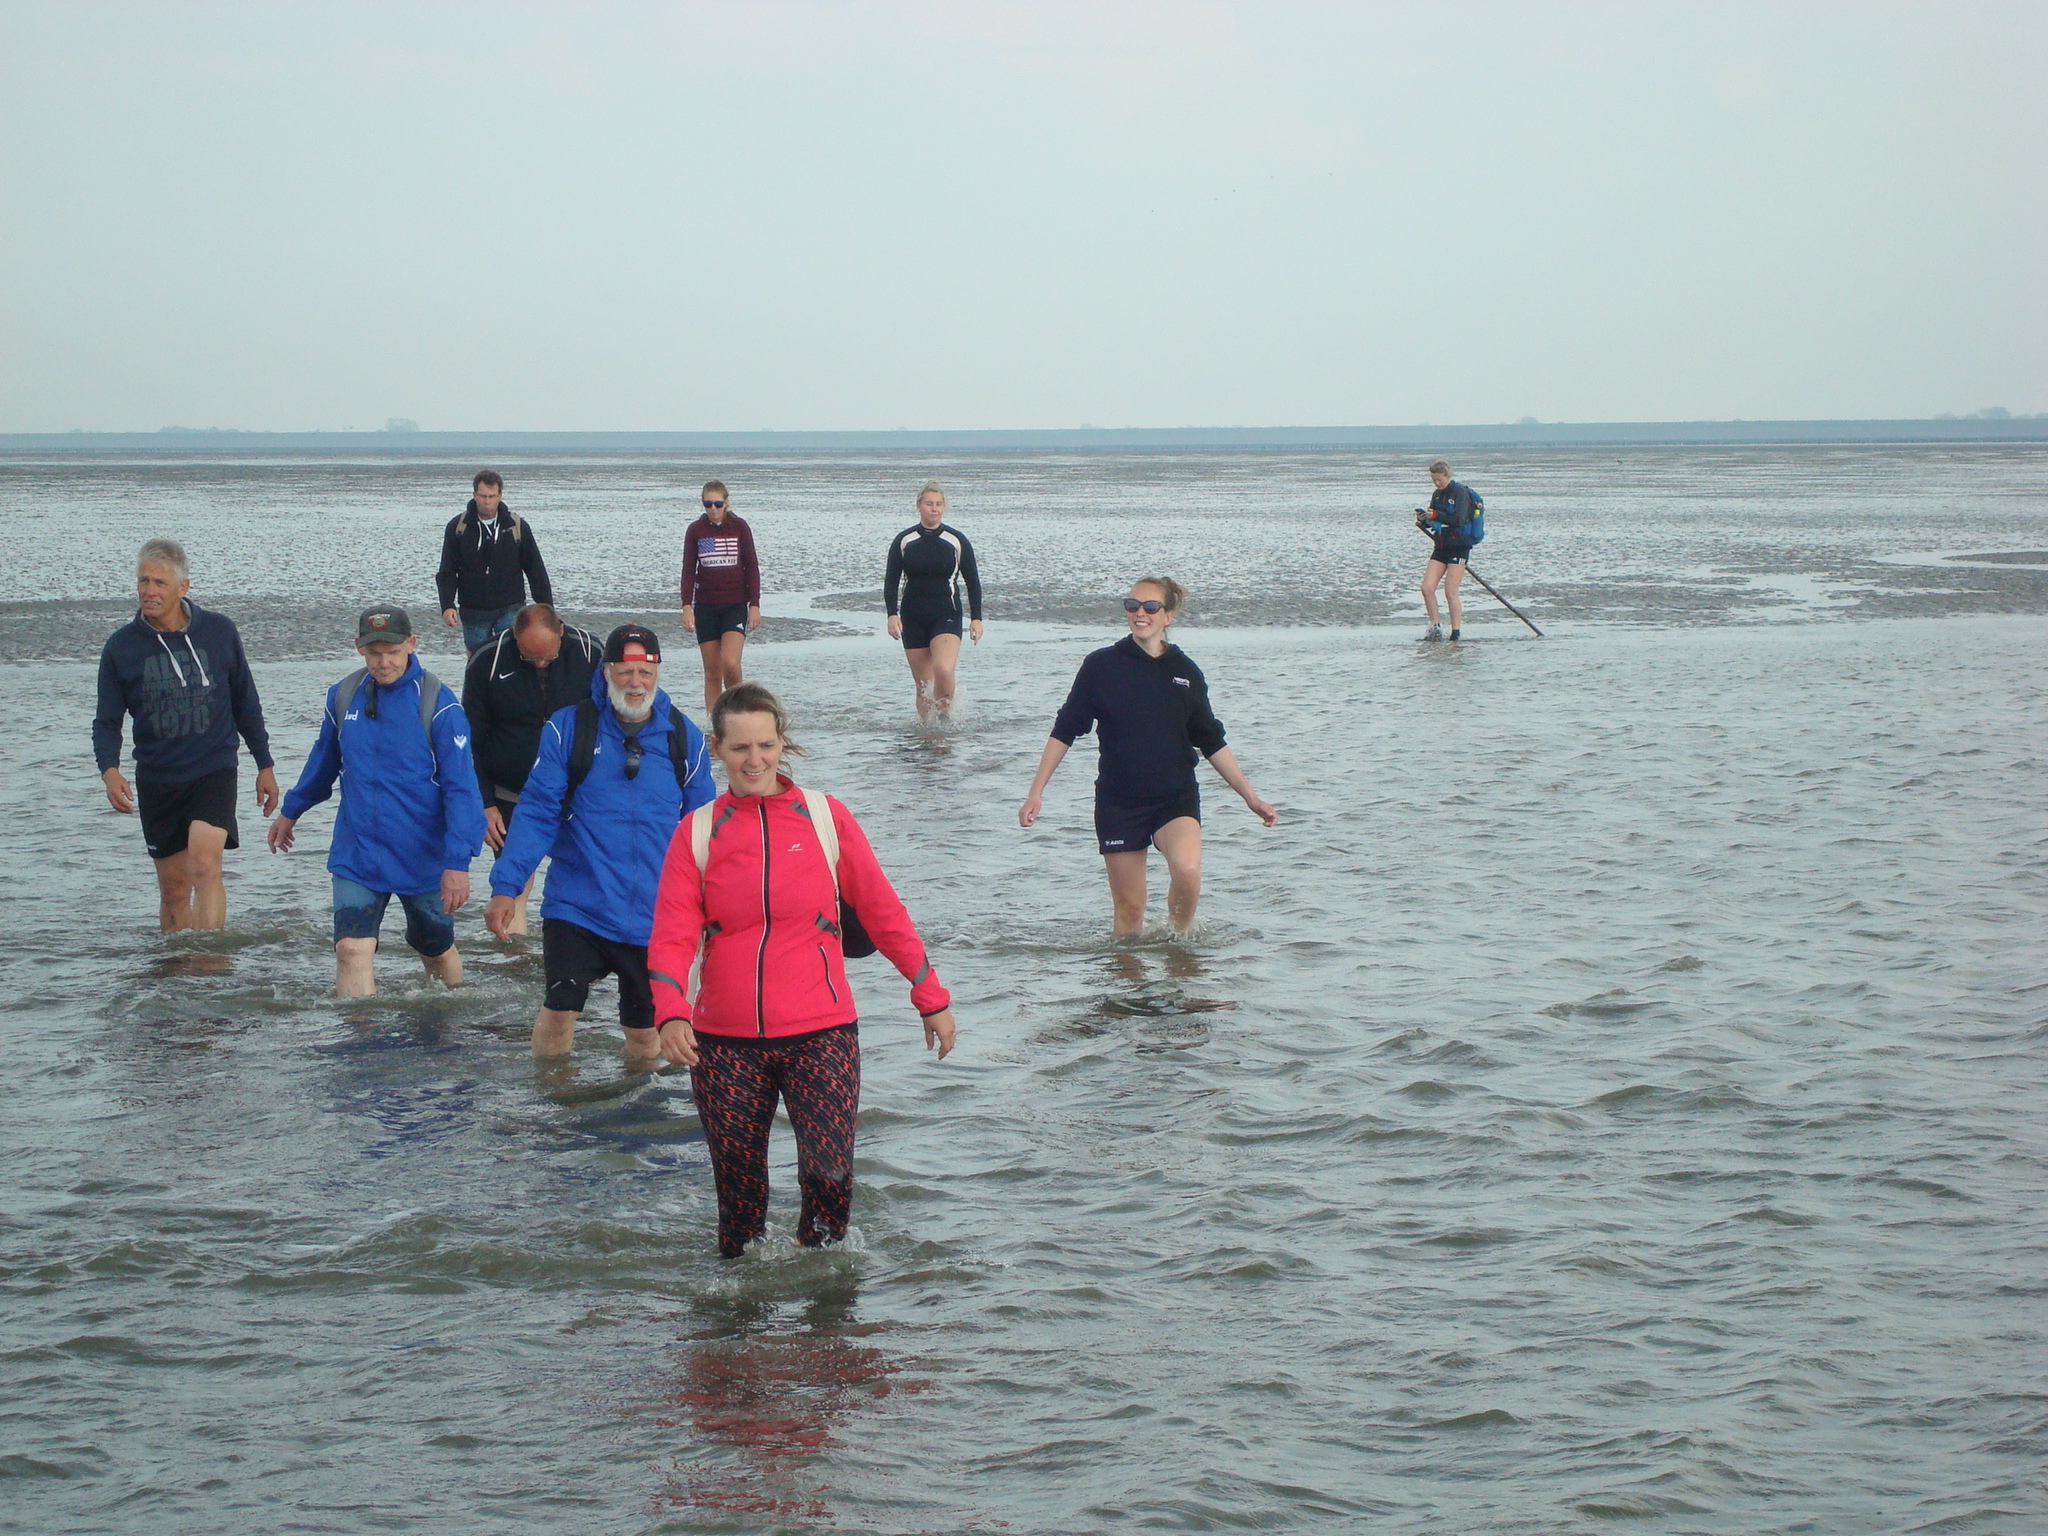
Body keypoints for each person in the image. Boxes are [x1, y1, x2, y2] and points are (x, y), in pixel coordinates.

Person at [647, 682, 957, 1258]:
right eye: (740, 748)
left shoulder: (824, 817)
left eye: (766, 745)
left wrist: (929, 995)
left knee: (829, 1184)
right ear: (717, 749)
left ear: (781, 743)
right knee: (740, 1208)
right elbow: (671, 935)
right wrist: (670, 1012)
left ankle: (827, 1305)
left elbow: (883, 911)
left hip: (823, 1033)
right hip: (724, 1043)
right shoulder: (696, 832)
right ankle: (740, 1308)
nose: (755, 760)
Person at [485, 624, 714, 1062]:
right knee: (560, 1009)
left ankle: (636, 1100)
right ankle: (551, 1096)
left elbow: (705, 832)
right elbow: (536, 812)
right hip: (578, 905)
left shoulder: (684, 738)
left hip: (653, 915)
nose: (635, 683)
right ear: (606, 670)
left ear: (657, 674)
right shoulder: (568, 729)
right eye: (625, 671)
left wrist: (714, 908)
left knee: (644, 1036)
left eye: (645, 673)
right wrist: (505, 888)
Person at [1018, 578, 1277, 936]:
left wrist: (1251, 798)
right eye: (1133, 605)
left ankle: (1178, 946)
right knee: (1130, 910)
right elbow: (1065, 730)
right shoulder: (1100, 666)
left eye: (1151, 607)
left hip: (1175, 797)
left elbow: (1211, 740)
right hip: (1119, 802)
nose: (1140, 613)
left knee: (1187, 870)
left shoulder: (1185, 672)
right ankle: (1128, 971)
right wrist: (1036, 792)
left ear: (1168, 616)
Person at [267, 607, 487, 998]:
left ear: (411, 644)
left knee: (435, 952)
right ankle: (359, 1034)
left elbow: (462, 790)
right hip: (358, 851)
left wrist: (458, 862)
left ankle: (451, 1021)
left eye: (393, 652)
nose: (384, 663)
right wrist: (291, 811)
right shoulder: (343, 696)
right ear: (359, 648)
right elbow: (323, 761)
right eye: (374, 654)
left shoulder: (440, 705)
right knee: (351, 950)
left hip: (423, 856)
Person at [94, 538, 280, 931]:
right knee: (174, 890)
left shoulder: (219, 631)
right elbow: (107, 720)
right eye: (143, 581)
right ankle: (175, 964)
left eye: (159, 582)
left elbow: (246, 701)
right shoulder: (121, 647)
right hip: (158, 776)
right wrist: (109, 770)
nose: (149, 591)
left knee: (204, 865)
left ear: (183, 587)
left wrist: (264, 764)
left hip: (213, 768)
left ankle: (210, 960)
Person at [463, 603, 603, 935]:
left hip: (578, 791)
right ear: (514, 635)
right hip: (510, 791)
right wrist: (484, 803)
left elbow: (611, 723)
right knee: (514, 883)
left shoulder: (591, 654)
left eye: (547, 657)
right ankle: (516, 956)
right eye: (530, 657)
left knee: (583, 875)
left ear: (561, 631)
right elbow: (469, 740)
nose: (540, 664)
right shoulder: (487, 660)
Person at [884, 480, 984, 720]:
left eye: (938, 504)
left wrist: (977, 618)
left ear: (944, 507)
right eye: (929, 504)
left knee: (943, 669)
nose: (934, 509)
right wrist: (892, 614)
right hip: (913, 616)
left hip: (946, 613)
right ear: (919, 506)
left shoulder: (956, 540)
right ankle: (927, 733)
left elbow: (973, 582)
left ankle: (944, 717)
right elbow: (891, 581)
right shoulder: (904, 540)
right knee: (923, 686)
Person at [437, 470, 555, 654]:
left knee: (511, 655)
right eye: (482, 496)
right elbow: (447, 570)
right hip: (473, 610)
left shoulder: (516, 526)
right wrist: (447, 605)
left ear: (500, 495)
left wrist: (547, 608)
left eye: (492, 496)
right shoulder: (458, 528)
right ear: (474, 495)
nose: (487, 501)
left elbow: (535, 569)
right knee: (478, 658)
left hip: (510, 608)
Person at [678, 479, 761, 712]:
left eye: (717, 504)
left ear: (726, 503)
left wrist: (754, 605)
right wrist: (686, 606)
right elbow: (688, 570)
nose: (713, 509)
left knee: (730, 662)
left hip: (735, 604)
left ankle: (739, 710)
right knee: (712, 672)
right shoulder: (696, 530)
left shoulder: (739, 527)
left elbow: (751, 567)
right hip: (705, 606)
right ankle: (714, 721)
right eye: (708, 504)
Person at [1416, 459, 1476, 641]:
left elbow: (1459, 520)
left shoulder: (1460, 492)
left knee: (1450, 591)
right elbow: (1435, 521)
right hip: (1441, 545)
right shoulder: (1436, 495)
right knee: (1427, 588)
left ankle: (1455, 632)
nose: (1437, 483)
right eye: (1434, 480)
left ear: (1447, 476)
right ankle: (1435, 628)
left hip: (1459, 546)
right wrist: (1424, 519)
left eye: (1439, 480)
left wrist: (1437, 515)